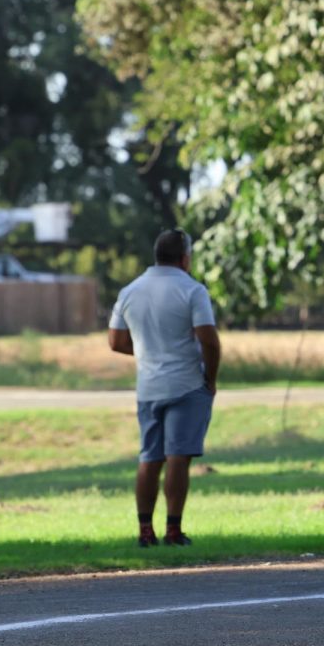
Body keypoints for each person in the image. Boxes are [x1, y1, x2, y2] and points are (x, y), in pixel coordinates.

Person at [109, 228, 220, 548]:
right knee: (178, 457)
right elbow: (209, 340)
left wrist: (148, 352)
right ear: (185, 258)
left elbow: (116, 342)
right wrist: (210, 379)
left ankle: (145, 531)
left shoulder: (131, 290)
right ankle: (173, 530)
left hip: (148, 387)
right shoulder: (192, 290)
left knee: (149, 458)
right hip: (186, 384)